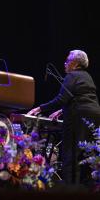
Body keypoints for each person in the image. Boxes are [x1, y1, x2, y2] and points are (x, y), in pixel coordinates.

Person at [27, 49, 100, 186]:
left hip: (78, 116)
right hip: (95, 115)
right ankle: (85, 188)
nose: (65, 63)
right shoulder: (87, 76)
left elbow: (61, 99)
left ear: (75, 63)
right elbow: (81, 97)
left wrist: (39, 108)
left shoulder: (72, 76)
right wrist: (62, 111)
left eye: (67, 60)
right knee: (86, 153)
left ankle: (70, 188)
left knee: (71, 153)